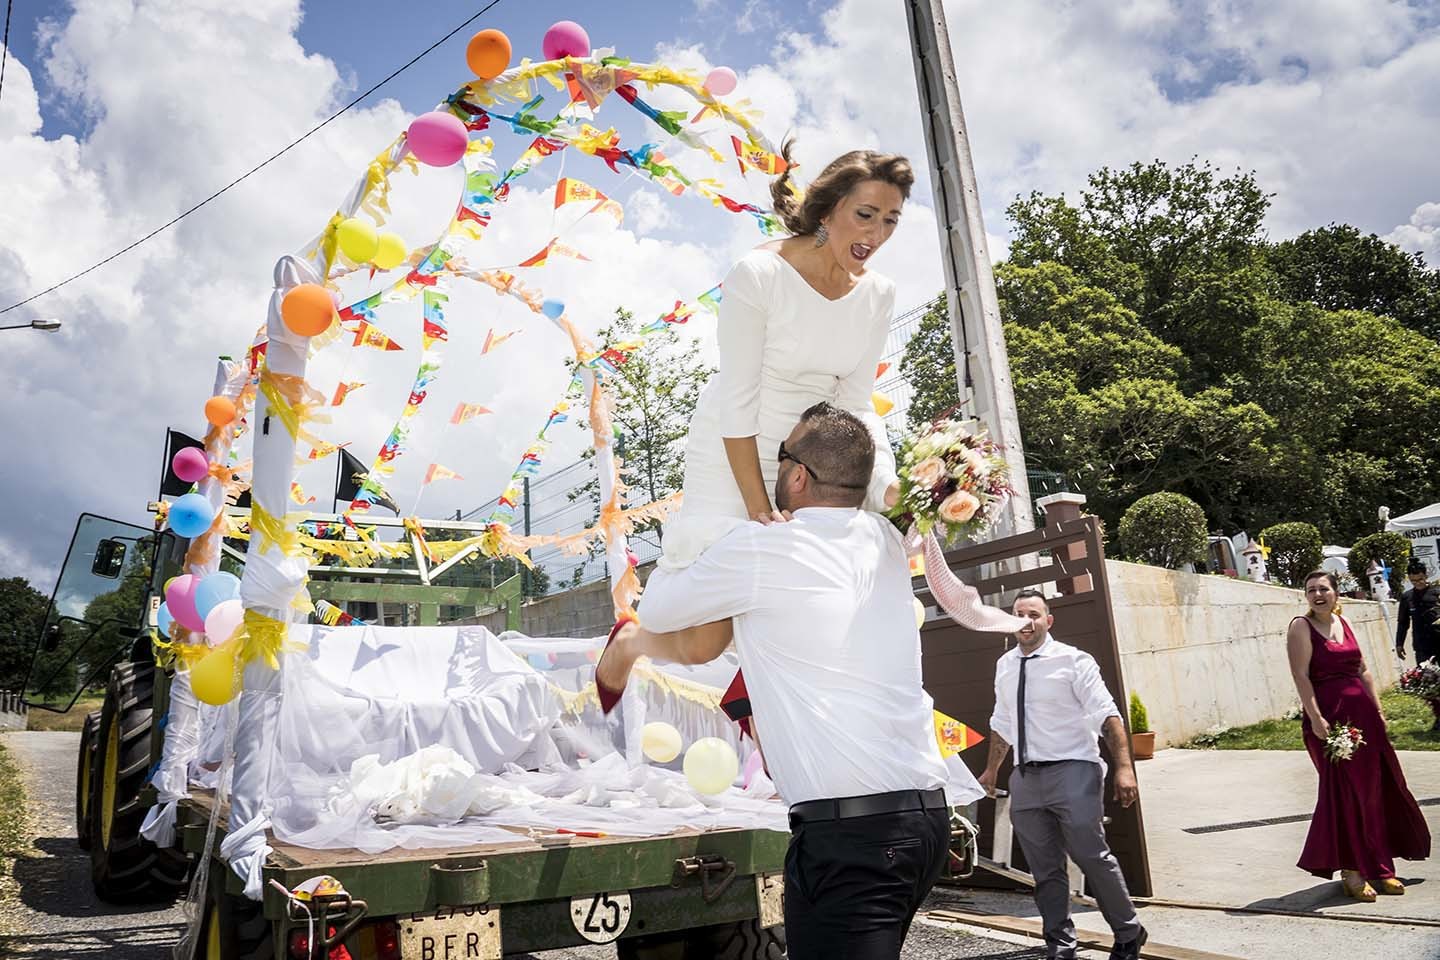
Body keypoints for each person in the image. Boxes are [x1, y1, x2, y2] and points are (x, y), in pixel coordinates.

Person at [598, 402, 1011, 959]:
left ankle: (628, 649)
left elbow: (660, 608)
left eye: (781, 455)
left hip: (856, 838)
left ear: (796, 476)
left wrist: (711, 531)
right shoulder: (884, 540)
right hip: (925, 822)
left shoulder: (762, 547)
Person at [632, 144, 914, 737]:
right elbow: (738, 398)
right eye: (865, 215)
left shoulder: (879, 293)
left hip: (814, 453)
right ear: (829, 210)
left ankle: (767, 719)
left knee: (815, 596)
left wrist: (887, 486)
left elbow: (858, 402)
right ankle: (632, 641)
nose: (877, 234)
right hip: (736, 442)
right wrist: (760, 510)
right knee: (706, 642)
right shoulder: (758, 273)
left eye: (890, 220)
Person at [977, 591, 1147, 960]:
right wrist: (992, 770)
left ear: (1048, 621)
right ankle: (1060, 945)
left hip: (1074, 770)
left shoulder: (1074, 661)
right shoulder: (1005, 665)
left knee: (1091, 856)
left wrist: (1124, 768)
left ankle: (1128, 931)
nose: (1026, 621)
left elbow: (1107, 715)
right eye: (1019, 614)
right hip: (1026, 777)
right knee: (1044, 869)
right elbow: (1002, 722)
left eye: (1034, 614)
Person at [1288, 569, 1430, 900]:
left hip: (1364, 720)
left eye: (1324, 588)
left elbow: (1363, 670)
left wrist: (1378, 711)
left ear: (1336, 593)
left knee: (1376, 791)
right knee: (1345, 795)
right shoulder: (1301, 626)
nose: (1317, 594)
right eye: (1311, 590)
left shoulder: (1345, 622)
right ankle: (1351, 870)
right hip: (1330, 722)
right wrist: (1316, 718)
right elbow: (1300, 675)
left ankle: (1381, 868)